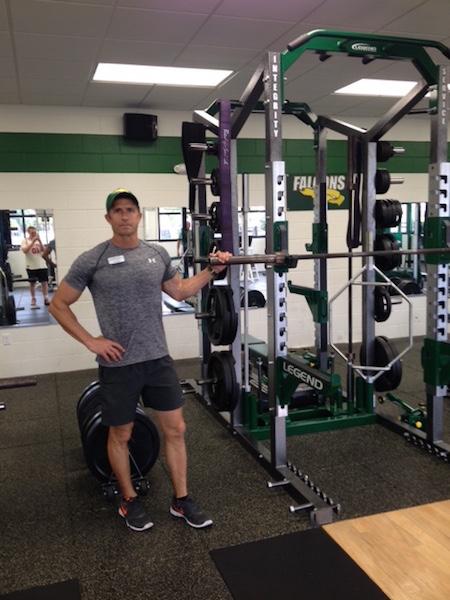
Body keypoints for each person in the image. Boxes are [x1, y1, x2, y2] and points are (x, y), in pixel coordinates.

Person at [49, 189, 230, 532]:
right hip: (119, 365)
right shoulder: (93, 258)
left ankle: (181, 500)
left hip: (158, 358)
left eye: (130, 210)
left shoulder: (156, 253)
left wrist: (211, 270)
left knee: (176, 429)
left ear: (139, 215)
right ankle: (129, 500)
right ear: (108, 218)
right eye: (117, 211)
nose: (124, 216)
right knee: (121, 432)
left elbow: (179, 291)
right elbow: (59, 304)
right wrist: (92, 340)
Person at [20, 226, 50, 307]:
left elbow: (45, 251)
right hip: (31, 266)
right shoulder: (25, 241)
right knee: (32, 283)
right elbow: (25, 251)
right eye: (32, 233)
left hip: (41, 265)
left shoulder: (39, 241)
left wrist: (39, 241)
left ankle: (46, 298)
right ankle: (33, 298)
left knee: (44, 282)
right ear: (28, 232)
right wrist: (33, 241)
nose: (34, 234)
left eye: (35, 232)